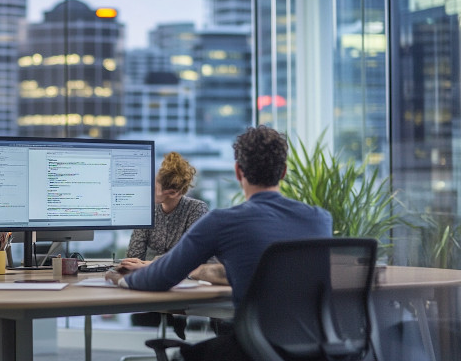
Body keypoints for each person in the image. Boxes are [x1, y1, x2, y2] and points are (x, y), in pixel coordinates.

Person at [106, 125, 333, 360]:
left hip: (254, 348)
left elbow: (160, 277)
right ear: (283, 172)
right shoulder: (320, 220)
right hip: (314, 347)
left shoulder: (222, 221)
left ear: (238, 171)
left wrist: (121, 279)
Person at [121, 151, 209, 338]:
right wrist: (146, 265)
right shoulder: (147, 209)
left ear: (173, 193)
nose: (149, 189)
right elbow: (133, 257)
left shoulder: (196, 209)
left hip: (190, 285)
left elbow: (190, 261)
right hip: (159, 283)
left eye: (155, 187)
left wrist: (148, 264)